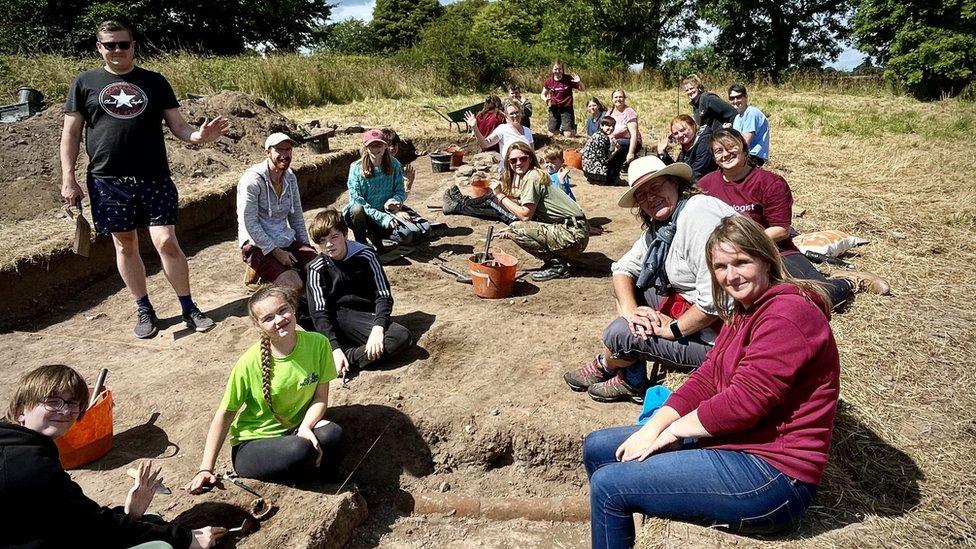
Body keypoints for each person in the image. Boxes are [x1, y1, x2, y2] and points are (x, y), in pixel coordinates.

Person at [583, 215, 840, 547]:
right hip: (739, 442)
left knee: (609, 486)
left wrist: (670, 434)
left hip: (773, 475)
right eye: (720, 267)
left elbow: (744, 403)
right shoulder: (746, 308)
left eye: (741, 262)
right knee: (597, 447)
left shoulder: (787, 315)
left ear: (764, 259)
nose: (731, 276)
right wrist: (654, 426)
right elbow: (707, 378)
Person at [60, 20, 229, 339]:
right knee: (125, 245)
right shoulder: (84, 83)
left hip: (154, 176)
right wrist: (68, 177)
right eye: (110, 45)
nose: (117, 50)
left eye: (123, 44)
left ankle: (188, 306)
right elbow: (70, 134)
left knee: (166, 241)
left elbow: (178, 126)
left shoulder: (154, 81)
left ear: (133, 45)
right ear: (100, 48)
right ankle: (144, 308)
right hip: (107, 179)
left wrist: (198, 136)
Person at [563, 156, 735, 403]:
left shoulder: (698, 214)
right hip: (696, 311)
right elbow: (622, 268)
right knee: (630, 289)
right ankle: (630, 375)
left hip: (724, 338)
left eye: (656, 187)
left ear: (675, 183)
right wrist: (633, 313)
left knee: (617, 334)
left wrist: (672, 328)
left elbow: (718, 300)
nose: (650, 198)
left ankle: (609, 364)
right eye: (642, 195)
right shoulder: (665, 227)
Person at [2, 364, 224, 548]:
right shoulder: (32, 466)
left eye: (74, 404)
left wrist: (128, 515)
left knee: (150, 522)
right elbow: (92, 526)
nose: (66, 410)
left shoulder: (14, 445)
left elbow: (67, 517)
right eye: (53, 401)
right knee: (161, 546)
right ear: (22, 409)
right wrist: (187, 538)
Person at [699, 128, 889, 306]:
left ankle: (849, 280)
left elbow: (781, 229)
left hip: (774, 251)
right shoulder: (706, 185)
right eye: (718, 151)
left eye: (731, 147)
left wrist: (744, 244)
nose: (725, 154)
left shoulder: (769, 182)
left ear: (743, 148)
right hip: (726, 256)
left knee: (819, 297)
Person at [185, 286, 343, 492]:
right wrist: (205, 468)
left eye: (282, 310)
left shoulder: (318, 344)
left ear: (293, 308)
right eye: (268, 318)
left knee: (333, 435)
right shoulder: (249, 363)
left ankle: (327, 485)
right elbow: (225, 414)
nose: (279, 320)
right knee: (301, 449)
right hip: (253, 445)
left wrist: (305, 427)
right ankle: (303, 481)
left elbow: (320, 398)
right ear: (258, 325)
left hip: (293, 430)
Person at [306, 209, 413, 374]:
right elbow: (319, 312)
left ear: (345, 234)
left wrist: (378, 329)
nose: (329, 244)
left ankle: (348, 357)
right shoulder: (316, 268)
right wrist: (334, 347)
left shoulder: (366, 255)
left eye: (334, 237)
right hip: (336, 317)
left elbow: (383, 295)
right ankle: (339, 352)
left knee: (399, 337)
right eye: (322, 241)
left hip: (363, 316)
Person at [493, 142, 589, 281]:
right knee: (515, 228)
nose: (518, 163)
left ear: (531, 159)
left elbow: (525, 215)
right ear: (509, 163)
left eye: (523, 158)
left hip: (573, 234)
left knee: (516, 228)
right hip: (575, 231)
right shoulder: (534, 175)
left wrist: (500, 196)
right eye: (513, 160)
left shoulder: (532, 177)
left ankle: (557, 266)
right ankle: (559, 260)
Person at [237, 133, 317, 293]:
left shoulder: (290, 178)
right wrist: (277, 253)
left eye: (288, 149)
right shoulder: (252, 181)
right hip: (257, 244)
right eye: (279, 150)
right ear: (268, 152)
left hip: (283, 238)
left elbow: (296, 217)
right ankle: (259, 272)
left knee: (320, 268)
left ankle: (270, 271)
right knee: (294, 285)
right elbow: (250, 223)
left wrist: (306, 249)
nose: (285, 154)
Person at [342, 129, 411, 251]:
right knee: (357, 209)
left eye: (379, 145)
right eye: (371, 145)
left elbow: (399, 191)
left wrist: (393, 201)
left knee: (407, 237)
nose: (375, 149)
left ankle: (375, 236)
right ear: (366, 147)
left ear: (385, 146)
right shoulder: (356, 168)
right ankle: (361, 243)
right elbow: (356, 200)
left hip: (384, 213)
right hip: (363, 215)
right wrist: (383, 218)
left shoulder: (394, 165)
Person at [464, 100, 534, 175]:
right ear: (506, 115)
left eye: (517, 112)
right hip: (508, 172)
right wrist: (475, 127)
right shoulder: (503, 129)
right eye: (511, 114)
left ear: (520, 113)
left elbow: (532, 154)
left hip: (525, 171)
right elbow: (485, 144)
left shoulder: (527, 131)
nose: (515, 116)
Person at [656, 114, 716, 183]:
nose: (680, 135)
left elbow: (697, 173)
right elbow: (678, 171)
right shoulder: (687, 145)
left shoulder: (705, 142)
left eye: (683, 130)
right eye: (676, 133)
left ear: (693, 125)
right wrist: (662, 153)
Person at [604, 90, 643, 185]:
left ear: (624, 98)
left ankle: (615, 175)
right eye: (616, 97)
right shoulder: (610, 112)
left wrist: (631, 153)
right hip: (614, 141)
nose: (618, 99)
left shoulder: (629, 112)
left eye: (620, 97)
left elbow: (634, 134)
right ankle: (606, 174)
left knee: (619, 145)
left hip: (631, 142)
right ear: (612, 99)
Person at [728, 84, 770, 165]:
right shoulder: (737, 117)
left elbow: (745, 142)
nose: (735, 101)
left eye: (739, 97)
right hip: (743, 155)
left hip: (753, 157)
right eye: (732, 98)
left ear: (746, 97)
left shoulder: (751, 113)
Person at [541, 59, 584, 137]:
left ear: (562, 69)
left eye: (560, 69)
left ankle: (572, 128)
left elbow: (582, 89)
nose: (558, 71)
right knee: (551, 135)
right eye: (555, 69)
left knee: (568, 135)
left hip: (566, 108)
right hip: (554, 108)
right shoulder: (549, 81)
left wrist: (579, 82)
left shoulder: (568, 78)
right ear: (552, 69)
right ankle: (559, 127)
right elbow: (542, 94)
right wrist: (546, 99)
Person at [381, 128, 416, 200]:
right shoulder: (376, 165)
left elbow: (399, 199)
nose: (392, 148)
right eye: (389, 145)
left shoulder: (396, 165)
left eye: (395, 145)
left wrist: (408, 183)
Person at [581, 116, 616, 184]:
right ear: (601, 126)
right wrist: (616, 149)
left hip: (587, 169)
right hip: (595, 171)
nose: (611, 128)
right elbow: (604, 159)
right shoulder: (602, 138)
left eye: (613, 126)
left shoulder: (596, 134)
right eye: (608, 126)